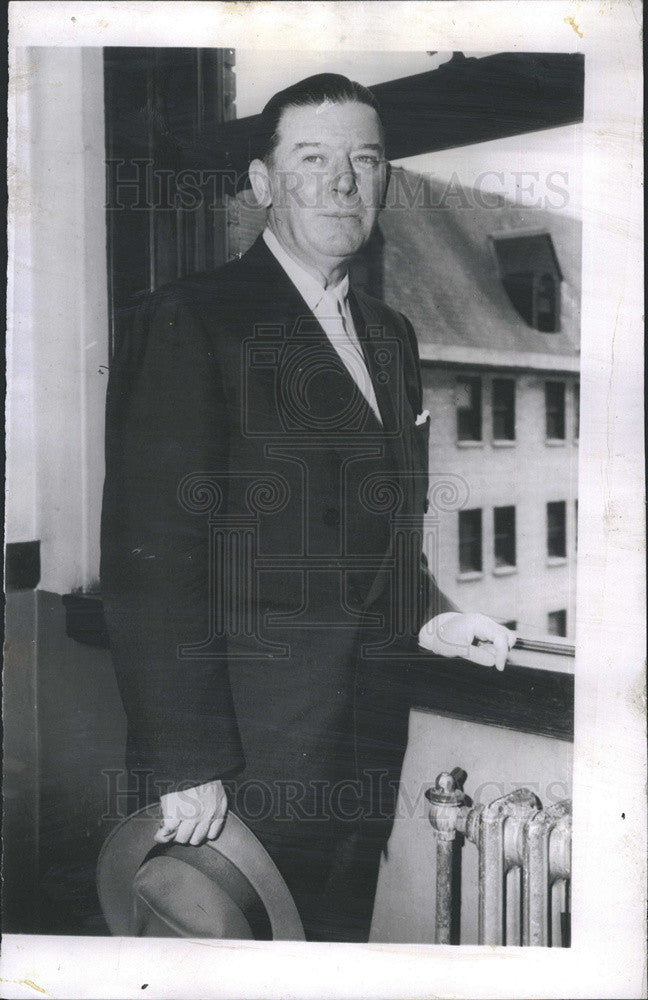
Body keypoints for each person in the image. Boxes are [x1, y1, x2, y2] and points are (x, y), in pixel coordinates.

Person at [100, 73, 514, 942]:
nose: (342, 182)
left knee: (330, 951)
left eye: (365, 161)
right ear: (261, 184)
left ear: (386, 182)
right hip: (246, 755)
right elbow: (153, 558)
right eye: (313, 159)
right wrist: (185, 762)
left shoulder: (390, 333)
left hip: (364, 732)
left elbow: (379, 528)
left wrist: (432, 616)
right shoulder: (190, 318)